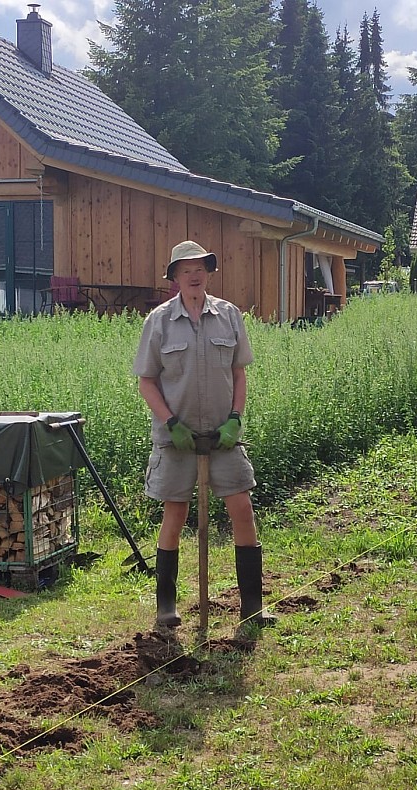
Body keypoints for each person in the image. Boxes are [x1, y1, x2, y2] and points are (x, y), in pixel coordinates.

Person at [133, 240, 272, 629]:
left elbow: (240, 373)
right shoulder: (159, 321)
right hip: (176, 438)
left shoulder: (229, 316)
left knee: (242, 509)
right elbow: (146, 382)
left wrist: (235, 419)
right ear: (175, 277)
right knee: (174, 515)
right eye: (186, 269)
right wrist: (171, 423)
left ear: (208, 273)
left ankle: (252, 607)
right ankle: (166, 608)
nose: (194, 275)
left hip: (222, 435)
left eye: (201, 268)